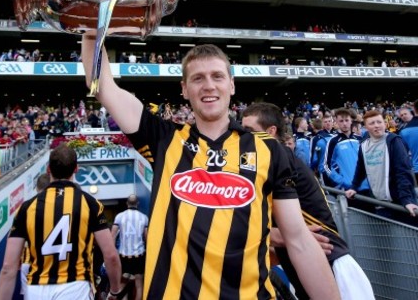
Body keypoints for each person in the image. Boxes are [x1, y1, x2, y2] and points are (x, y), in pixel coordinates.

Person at [81, 38, 339, 299]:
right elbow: (104, 87)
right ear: (184, 89)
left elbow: (299, 241)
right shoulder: (164, 140)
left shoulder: (270, 151)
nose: (208, 85)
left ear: (231, 84)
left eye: (217, 76)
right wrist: (93, 25)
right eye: (197, 78)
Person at [241, 102, 374, 300]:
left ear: (270, 131)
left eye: (249, 130)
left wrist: (278, 236)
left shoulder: (275, 155)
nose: (242, 136)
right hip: (311, 253)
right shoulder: (276, 157)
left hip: (325, 254)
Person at [0, 144, 123, 300]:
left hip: (36, 289)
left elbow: (8, 268)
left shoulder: (27, 208)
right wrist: (115, 290)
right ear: (76, 169)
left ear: (48, 169)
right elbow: (110, 255)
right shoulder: (90, 203)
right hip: (75, 287)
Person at [345, 110, 418, 227]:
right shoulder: (364, 145)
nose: (376, 125)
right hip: (380, 203)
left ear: (384, 124)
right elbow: (361, 167)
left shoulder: (394, 141)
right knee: (387, 242)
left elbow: (403, 171)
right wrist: (354, 186)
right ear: (366, 127)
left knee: (410, 240)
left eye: (379, 122)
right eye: (372, 123)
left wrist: (407, 200)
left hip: (400, 203)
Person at [19, 172, 51, 299]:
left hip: (30, 266)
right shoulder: (65, 207)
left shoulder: (27, 208)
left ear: (37, 188)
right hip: (57, 268)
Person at [111, 194, 149, 300]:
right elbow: (147, 238)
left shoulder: (119, 216)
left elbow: (112, 236)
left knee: (122, 281)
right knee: (139, 285)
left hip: (123, 255)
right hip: (139, 255)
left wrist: (113, 254)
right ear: (137, 204)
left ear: (127, 203)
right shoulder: (144, 217)